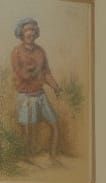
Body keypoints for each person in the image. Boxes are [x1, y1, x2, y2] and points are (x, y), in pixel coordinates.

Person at [11, 16, 61, 165]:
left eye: (33, 29)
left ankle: (53, 157)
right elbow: (23, 75)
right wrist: (38, 72)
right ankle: (27, 161)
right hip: (25, 97)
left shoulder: (41, 51)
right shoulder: (16, 52)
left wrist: (56, 87)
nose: (30, 33)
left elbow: (47, 73)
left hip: (40, 95)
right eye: (27, 29)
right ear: (21, 32)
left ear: (36, 32)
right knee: (27, 131)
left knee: (55, 124)